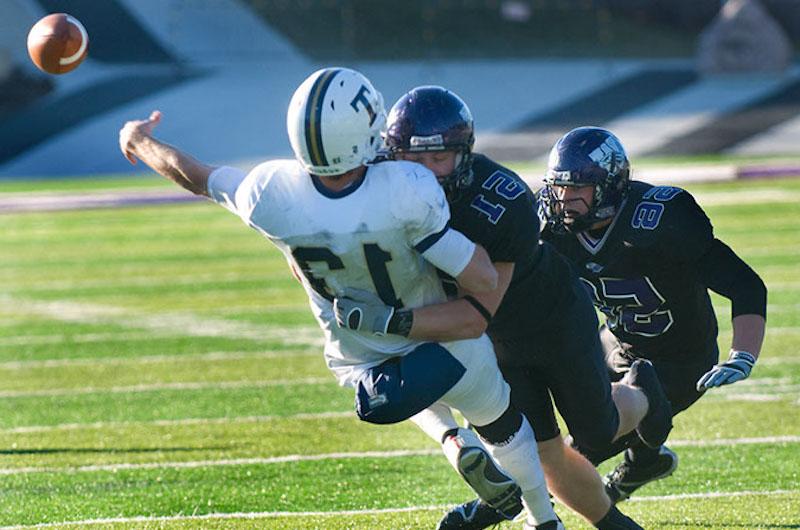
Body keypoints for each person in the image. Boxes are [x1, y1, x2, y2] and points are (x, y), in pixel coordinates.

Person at [118, 68, 563, 530]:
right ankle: (543, 520)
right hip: (444, 339)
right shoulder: (406, 189)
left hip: (362, 358)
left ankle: (452, 440)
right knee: (503, 423)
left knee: (395, 382)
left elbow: (193, 175)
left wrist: (137, 141)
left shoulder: (270, 192)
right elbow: (482, 277)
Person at [333, 86, 668, 529]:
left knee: (597, 430)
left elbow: (475, 314)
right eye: (415, 161)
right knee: (541, 450)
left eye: (440, 160)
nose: (428, 174)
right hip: (495, 339)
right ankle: (611, 523)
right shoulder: (375, 182)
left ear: (464, 155)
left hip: (549, 316)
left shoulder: (503, 200)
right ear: (392, 156)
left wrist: (391, 322)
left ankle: (642, 392)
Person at [538, 126, 767, 502]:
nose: (565, 200)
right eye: (559, 187)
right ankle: (645, 459)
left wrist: (743, 353)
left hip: (681, 359)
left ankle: (492, 511)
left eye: (578, 188)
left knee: (578, 452)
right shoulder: (552, 225)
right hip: (614, 342)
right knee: (551, 407)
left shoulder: (661, 220)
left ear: (610, 185)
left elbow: (745, 284)